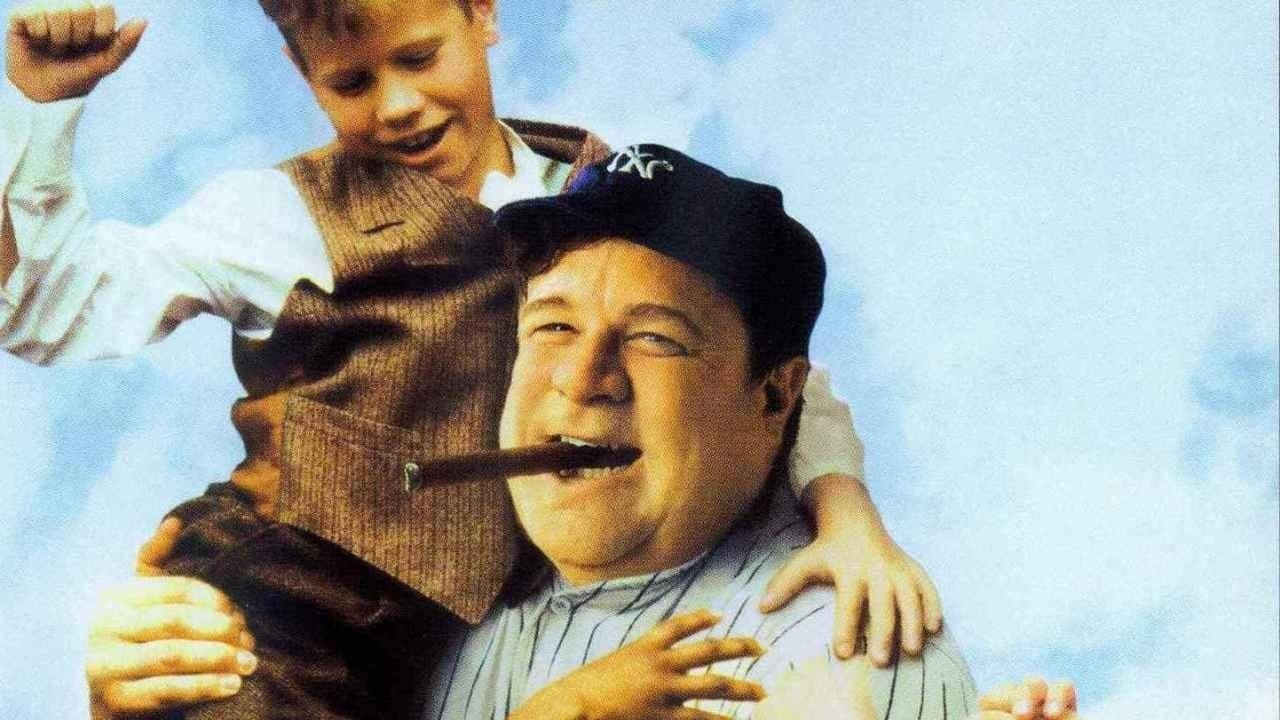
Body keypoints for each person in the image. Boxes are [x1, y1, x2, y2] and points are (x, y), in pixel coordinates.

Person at [5, 2, 937, 716]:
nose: (399, 105)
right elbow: (48, 308)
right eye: (352, 82)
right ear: (300, 72)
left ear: (482, 14)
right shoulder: (278, 217)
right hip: (285, 617)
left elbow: (757, 366)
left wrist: (847, 513)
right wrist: (38, 111)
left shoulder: (602, 183)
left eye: (419, 58)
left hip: (463, 641)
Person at [88, 145, 1089, 720]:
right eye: (553, 327)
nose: (581, 379)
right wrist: (163, 687)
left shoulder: (833, 640)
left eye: (654, 338)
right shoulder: (471, 603)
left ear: (771, 399)